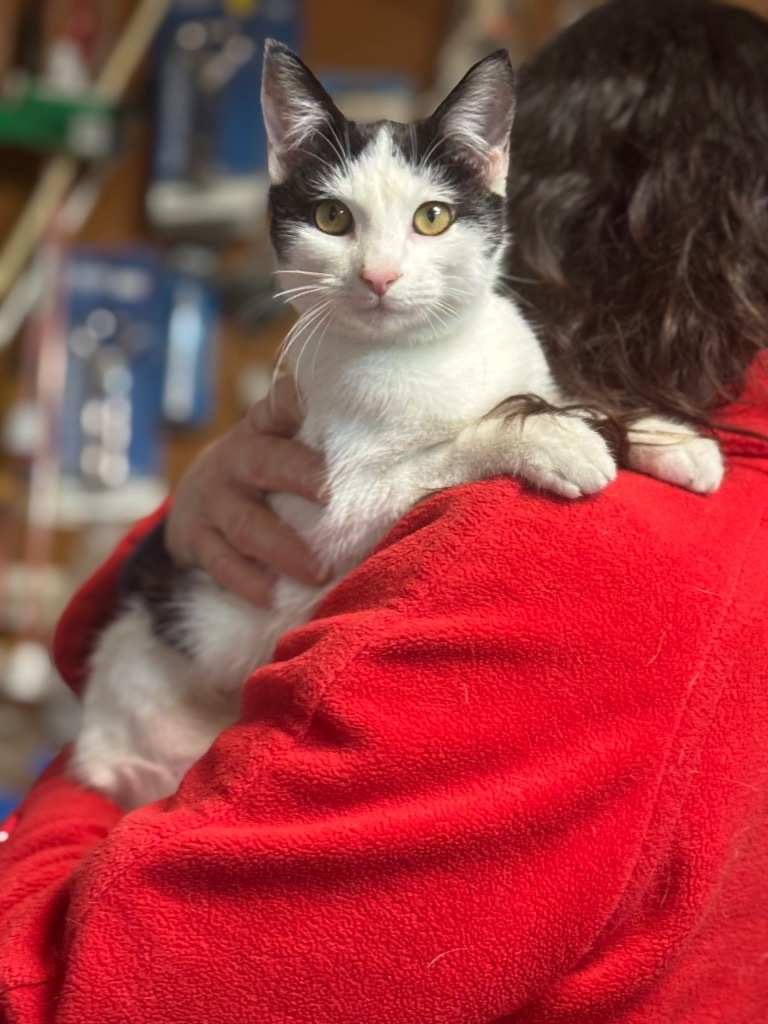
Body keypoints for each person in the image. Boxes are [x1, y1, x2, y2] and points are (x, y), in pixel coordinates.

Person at [2, 1, 768, 1020]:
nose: (380, 263)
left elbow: (80, 987)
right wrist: (179, 531)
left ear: (540, 202)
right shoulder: (708, 491)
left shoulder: (556, 548)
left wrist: (65, 800)